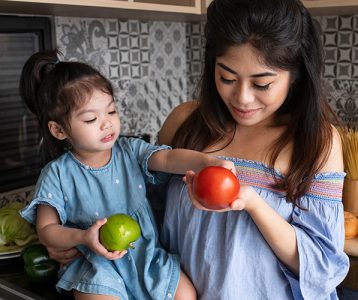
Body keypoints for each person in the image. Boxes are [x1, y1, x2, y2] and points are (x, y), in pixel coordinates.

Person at [158, 0, 350, 299]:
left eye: (262, 84)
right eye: (227, 78)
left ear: (295, 74)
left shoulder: (316, 142)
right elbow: (143, 215)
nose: (242, 98)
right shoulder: (184, 124)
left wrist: (250, 202)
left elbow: (321, 267)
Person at [19, 49, 235, 300]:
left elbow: (166, 157)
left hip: (146, 255)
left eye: (111, 111)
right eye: (91, 118)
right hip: (95, 265)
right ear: (58, 130)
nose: (107, 123)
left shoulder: (130, 150)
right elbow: (46, 229)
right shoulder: (57, 174)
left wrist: (206, 162)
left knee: (185, 294)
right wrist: (83, 237)